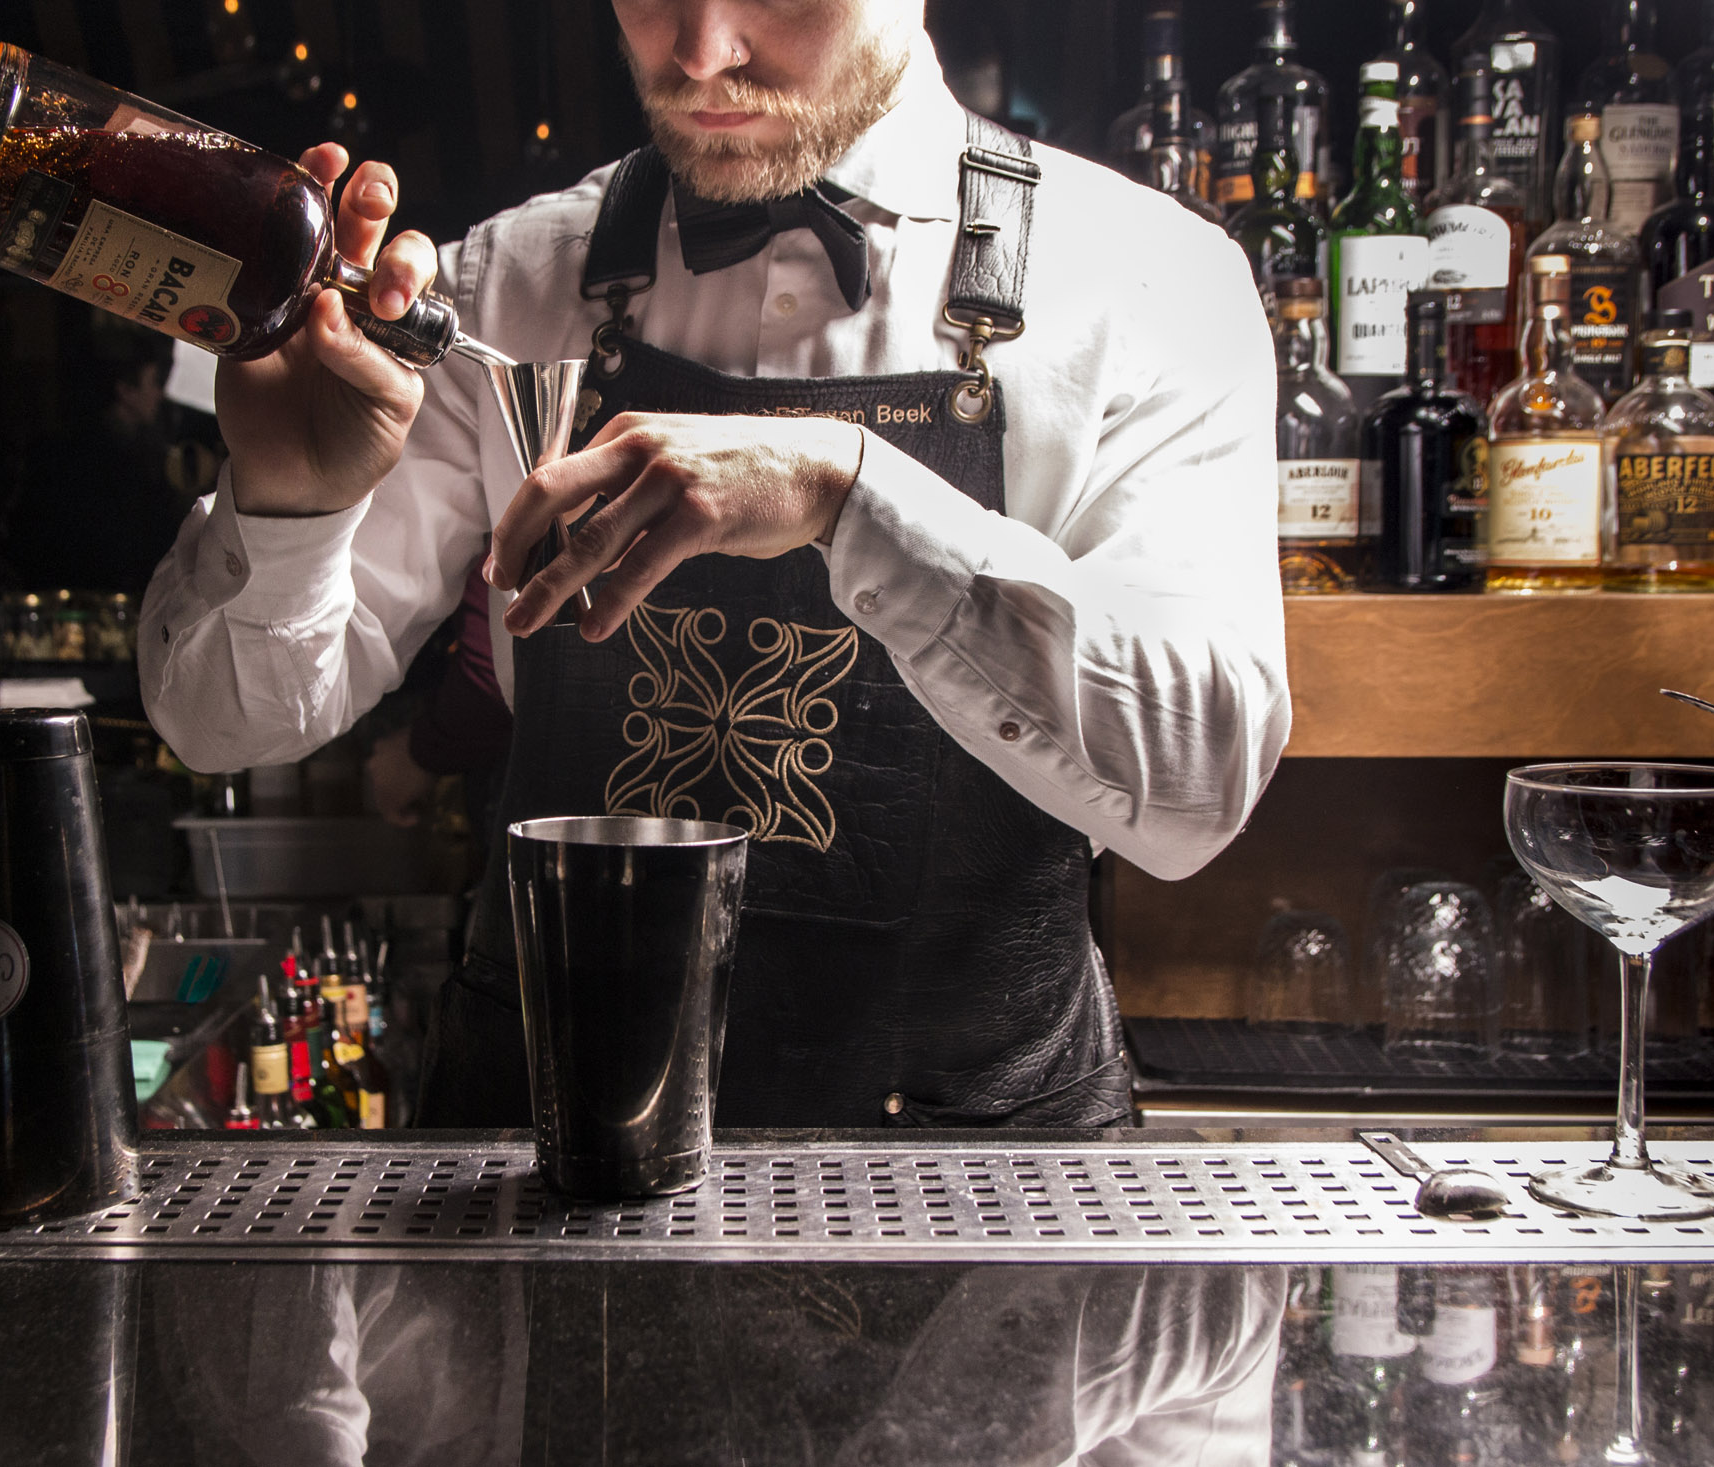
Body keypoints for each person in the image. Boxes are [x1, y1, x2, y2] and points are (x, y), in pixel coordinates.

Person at [141, 0, 1289, 1129]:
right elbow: (221, 728)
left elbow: (1195, 790)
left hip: (979, 1182)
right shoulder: (504, 281)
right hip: (551, 1160)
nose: (699, 53)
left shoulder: (1151, 282)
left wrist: (849, 495)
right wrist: (289, 499)